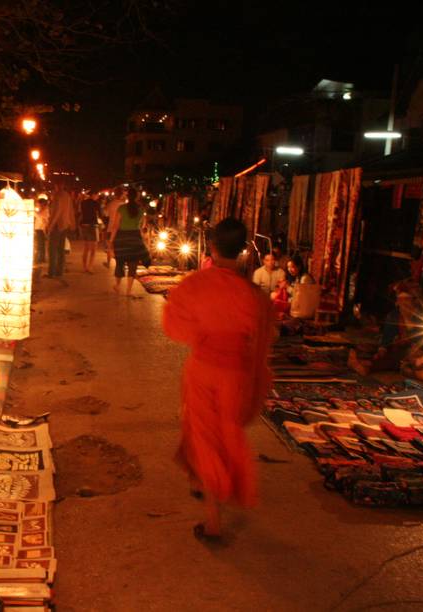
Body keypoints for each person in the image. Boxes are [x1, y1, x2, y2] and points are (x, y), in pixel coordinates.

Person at [163, 217, 274, 540]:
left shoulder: (195, 285)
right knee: (226, 433)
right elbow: (262, 340)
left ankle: (213, 519)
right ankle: (202, 482)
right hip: (236, 374)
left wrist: (203, 335)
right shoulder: (252, 295)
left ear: (211, 247)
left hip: (203, 368)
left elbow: (173, 326)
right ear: (242, 251)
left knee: (204, 436)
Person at [109, 188, 149, 296]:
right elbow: (142, 227)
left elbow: (116, 225)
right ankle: (129, 290)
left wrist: (111, 240)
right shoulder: (141, 210)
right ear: (137, 197)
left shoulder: (121, 208)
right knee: (133, 263)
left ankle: (117, 286)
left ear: (127, 196)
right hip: (135, 237)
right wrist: (143, 240)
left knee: (120, 262)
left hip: (122, 237)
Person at [47, 185, 76, 279]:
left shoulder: (58, 196)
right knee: (60, 249)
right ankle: (60, 271)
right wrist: (72, 222)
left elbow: (57, 212)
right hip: (64, 225)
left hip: (57, 225)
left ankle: (52, 272)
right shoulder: (67, 195)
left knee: (52, 249)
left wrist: (50, 226)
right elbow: (71, 210)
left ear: (56, 186)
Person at [104, 187, 126, 268]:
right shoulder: (124, 205)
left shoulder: (111, 204)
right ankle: (121, 264)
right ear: (122, 195)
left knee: (110, 246)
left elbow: (106, 214)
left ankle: (108, 263)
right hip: (121, 229)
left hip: (110, 227)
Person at [78, 193, 99, 273]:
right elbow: (100, 214)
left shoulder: (83, 203)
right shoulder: (96, 203)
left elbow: (81, 213)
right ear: (94, 195)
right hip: (93, 225)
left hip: (84, 225)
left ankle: (84, 267)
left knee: (86, 248)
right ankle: (90, 267)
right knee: (93, 249)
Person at [33, 196, 49, 265]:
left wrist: (33, 212)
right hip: (38, 228)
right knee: (40, 244)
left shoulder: (46, 211)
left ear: (43, 204)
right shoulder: (42, 210)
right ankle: (41, 258)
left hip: (41, 229)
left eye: (39, 204)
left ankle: (40, 258)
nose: (38, 206)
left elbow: (40, 217)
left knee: (40, 244)